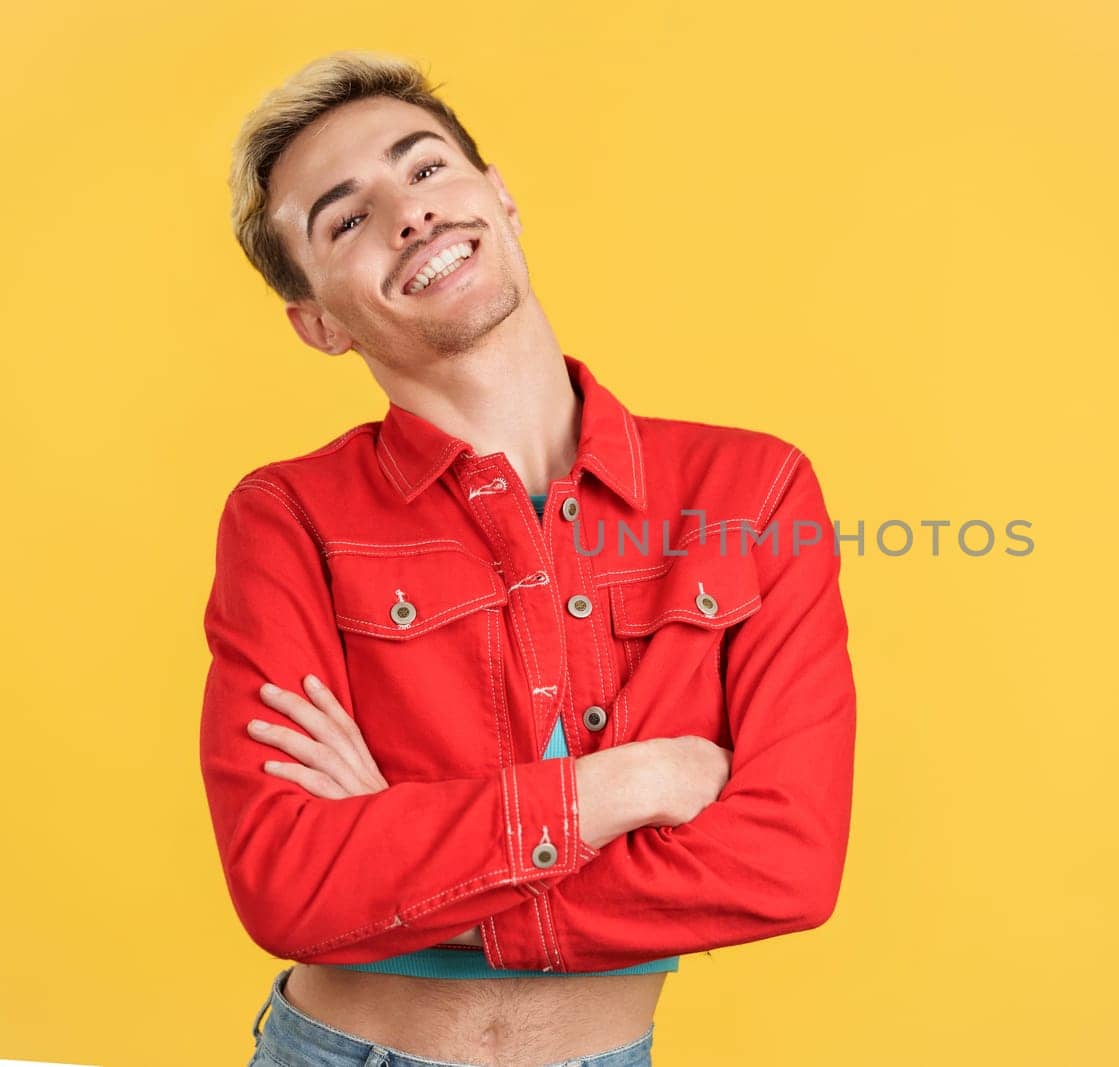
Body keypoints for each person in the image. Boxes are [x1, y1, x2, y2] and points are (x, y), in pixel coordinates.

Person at [202, 49, 857, 1066]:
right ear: (318, 321)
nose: (407, 214)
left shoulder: (751, 493)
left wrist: (397, 864)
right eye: (345, 217)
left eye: (424, 168)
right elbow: (289, 885)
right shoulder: (288, 517)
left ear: (499, 197)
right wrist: (632, 784)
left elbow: (788, 863)